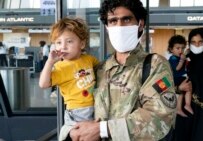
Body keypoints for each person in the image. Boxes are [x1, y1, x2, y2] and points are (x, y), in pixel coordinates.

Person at [69, 0, 192, 141]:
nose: (119, 26)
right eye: (113, 21)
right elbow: (79, 106)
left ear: (140, 24)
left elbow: (159, 117)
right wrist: (71, 131)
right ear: (107, 27)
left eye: (126, 19)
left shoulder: (154, 65)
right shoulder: (100, 69)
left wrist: (103, 129)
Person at [39, 17, 99, 141]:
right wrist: (50, 63)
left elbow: (101, 70)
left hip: (96, 107)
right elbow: (43, 84)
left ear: (82, 44)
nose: (63, 47)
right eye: (58, 42)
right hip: (78, 112)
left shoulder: (88, 59)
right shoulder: (60, 67)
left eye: (69, 41)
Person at [168, 35, 193, 117]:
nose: (181, 50)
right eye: (177, 48)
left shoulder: (179, 58)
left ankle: (181, 108)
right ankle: (187, 105)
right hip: (178, 78)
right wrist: (182, 60)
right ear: (171, 49)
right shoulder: (173, 58)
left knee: (182, 93)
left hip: (181, 77)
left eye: (182, 48)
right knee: (186, 90)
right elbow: (177, 68)